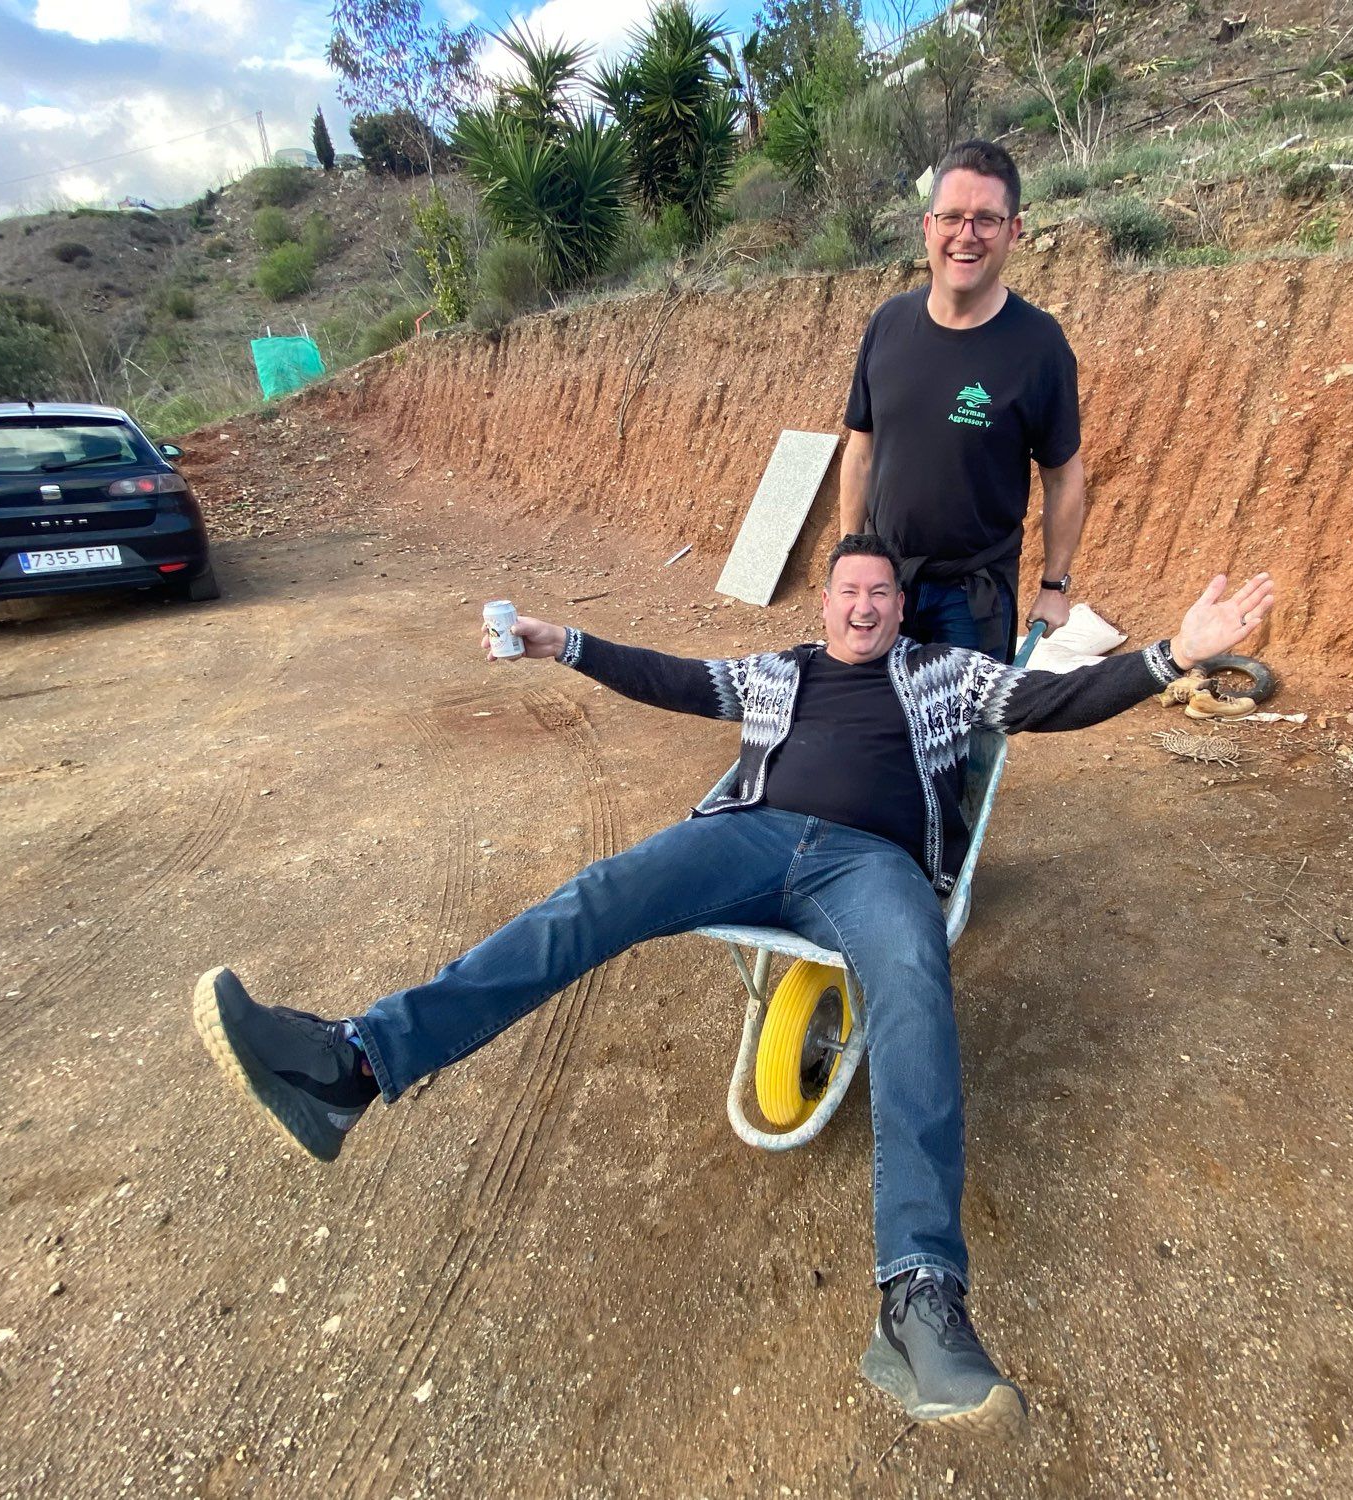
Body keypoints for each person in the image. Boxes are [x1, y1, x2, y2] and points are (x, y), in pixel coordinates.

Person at [192, 534, 1274, 1439]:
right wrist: (552, 639)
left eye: (879, 593)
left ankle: (919, 1303)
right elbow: (668, 676)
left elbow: (1056, 697)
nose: (862, 606)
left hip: (875, 864)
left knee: (912, 984)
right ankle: (354, 1062)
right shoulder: (778, 671)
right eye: (847, 590)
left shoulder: (946, 673)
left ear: (901, 609)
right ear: (827, 602)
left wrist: (1175, 652)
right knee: (595, 895)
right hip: (747, 838)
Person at [838, 139, 1082, 663]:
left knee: (962, 741)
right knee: (881, 732)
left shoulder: (1039, 345)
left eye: (987, 220)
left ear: (1014, 231)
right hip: (886, 583)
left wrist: (1055, 584)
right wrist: (849, 556)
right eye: (951, 217)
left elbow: (1062, 475)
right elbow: (861, 449)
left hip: (974, 599)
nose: (965, 236)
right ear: (928, 227)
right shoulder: (888, 324)